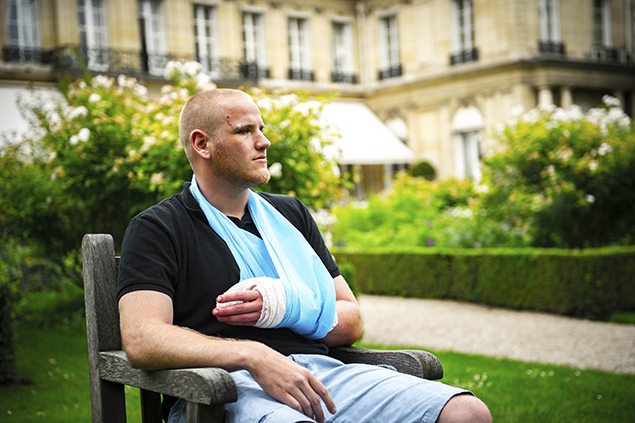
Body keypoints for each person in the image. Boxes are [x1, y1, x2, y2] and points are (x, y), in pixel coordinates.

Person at [117, 88, 492, 423]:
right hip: (220, 391)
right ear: (202, 144)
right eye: (245, 131)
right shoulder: (159, 228)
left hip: (322, 374)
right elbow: (142, 338)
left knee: (467, 413)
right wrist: (253, 355)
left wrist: (285, 304)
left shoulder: (290, 215)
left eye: (261, 129)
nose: (263, 142)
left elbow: (351, 319)